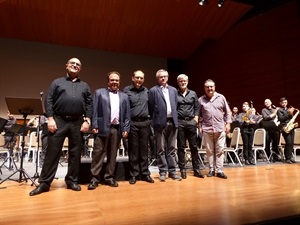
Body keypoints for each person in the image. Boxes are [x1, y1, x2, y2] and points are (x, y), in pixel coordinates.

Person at [29, 57, 93, 196]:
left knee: (75, 154)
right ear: (66, 66)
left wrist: (87, 120)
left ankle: (72, 181)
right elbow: (49, 100)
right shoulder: (57, 82)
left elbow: (89, 104)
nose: (75, 66)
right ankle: (45, 183)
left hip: (77, 122)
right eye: (73, 63)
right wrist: (50, 119)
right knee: (53, 153)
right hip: (58, 120)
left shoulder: (85, 86)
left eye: (78, 65)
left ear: (80, 69)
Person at [87, 71, 130, 190]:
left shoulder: (124, 96)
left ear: (119, 82)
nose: (114, 82)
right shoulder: (99, 93)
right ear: (108, 81)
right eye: (112, 80)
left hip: (116, 129)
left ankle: (109, 177)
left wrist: (126, 128)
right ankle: (94, 179)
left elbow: (126, 115)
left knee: (112, 155)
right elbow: (94, 110)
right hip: (101, 128)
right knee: (98, 154)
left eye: (116, 80)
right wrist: (94, 125)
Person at [148, 69, 181, 181]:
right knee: (161, 149)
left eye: (165, 76)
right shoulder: (153, 91)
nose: (163, 78)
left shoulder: (173, 90)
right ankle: (162, 172)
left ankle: (172, 172)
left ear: (167, 77)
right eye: (161, 77)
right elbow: (151, 108)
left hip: (173, 122)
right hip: (159, 123)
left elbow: (175, 105)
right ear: (157, 78)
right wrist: (155, 121)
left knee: (171, 149)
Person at [123, 70, 154, 184]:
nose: (139, 80)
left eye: (141, 78)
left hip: (145, 123)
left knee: (144, 150)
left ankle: (145, 173)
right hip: (133, 123)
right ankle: (134, 174)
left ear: (143, 79)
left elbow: (151, 106)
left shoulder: (147, 91)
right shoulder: (126, 91)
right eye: (137, 77)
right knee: (134, 150)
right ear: (133, 78)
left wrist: (150, 119)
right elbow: (124, 108)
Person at [198, 79, 231, 179]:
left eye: (211, 86)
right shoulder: (201, 100)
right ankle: (211, 169)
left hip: (220, 128)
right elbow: (198, 115)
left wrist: (228, 124)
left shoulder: (221, 97)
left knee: (220, 150)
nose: (209, 88)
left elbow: (228, 112)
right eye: (207, 87)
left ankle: (220, 170)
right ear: (204, 88)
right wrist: (199, 126)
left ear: (214, 87)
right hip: (207, 129)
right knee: (209, 150)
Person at [176, 74, 204, 179]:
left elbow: (197, 106)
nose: (183, 82)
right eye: (181, 81)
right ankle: (182, 170)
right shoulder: (175, 94)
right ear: (178, 82)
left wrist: (196, 118)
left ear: (187, 82)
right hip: (180, 123)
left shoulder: (193, 93)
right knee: (181, 147)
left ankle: (196, 169)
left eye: (185, 81)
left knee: (194, 146)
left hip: (191, 122)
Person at [277, 97, 297, 164]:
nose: (284, 104)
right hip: (284, 127)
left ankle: (290, 157)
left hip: (290, 127)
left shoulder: (288, 109)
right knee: (288, 142)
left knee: (291, 143)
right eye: (283, 103)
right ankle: (287, 158)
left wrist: (291, 114)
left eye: (285, 102)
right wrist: (288, 113)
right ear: (280, 103)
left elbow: (291, 118)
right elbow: (281, 119)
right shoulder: (279, 110)